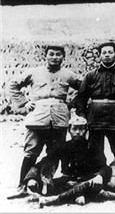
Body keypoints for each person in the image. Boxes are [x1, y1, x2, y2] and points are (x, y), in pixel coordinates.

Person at [8, 45, 82, 199]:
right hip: (37, 118)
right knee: (31, 152)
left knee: (54, 153)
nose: (54, 57)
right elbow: (13, 85)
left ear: (63, 57)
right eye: (51, 54)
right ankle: (22, 186)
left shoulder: (68, 75)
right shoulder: (34, 72)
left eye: (58, 54)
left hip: (59, 119)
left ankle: (46, 183)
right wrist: (24, 103)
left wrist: (71, 104)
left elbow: (84, 89)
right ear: (45, 56)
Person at [28, 116, 111, 207]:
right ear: (69, 130)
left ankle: (55, 199)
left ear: (86, 131)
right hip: (67, 182)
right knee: (41, 185)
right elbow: (47, 160)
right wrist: (32, 178)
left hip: (86, 181)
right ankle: (77, 195)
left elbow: (105, 167)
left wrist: (99, 176)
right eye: (74, 129)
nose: (78, 132)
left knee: (91, 186)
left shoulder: (93, 147)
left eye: (81, 129)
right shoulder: (64, 146)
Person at [75, 42, 115, 163]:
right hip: (95, 118)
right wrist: (82, 117)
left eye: (110, 52)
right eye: (104, 53)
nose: (107, 55)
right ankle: (99, 172)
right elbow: (81, 97)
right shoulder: (91, 76)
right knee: (95, 150)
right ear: (99, 56)